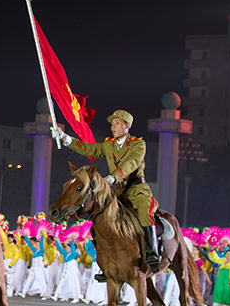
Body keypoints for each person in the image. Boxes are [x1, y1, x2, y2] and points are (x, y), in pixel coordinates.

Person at [51, 109, 160, 278]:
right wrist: (65, 138)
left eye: (117, 124)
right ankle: (105, 261)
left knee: (146, 211)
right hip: (118, 192)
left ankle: (152, 252)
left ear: (127, 126)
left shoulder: (139, 144)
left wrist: (113, 177)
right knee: (99, 217)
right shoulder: (108, 145)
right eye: (112, 124)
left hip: (137, 190)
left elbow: (131, 164)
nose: (113, 127)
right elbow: (88, 149)